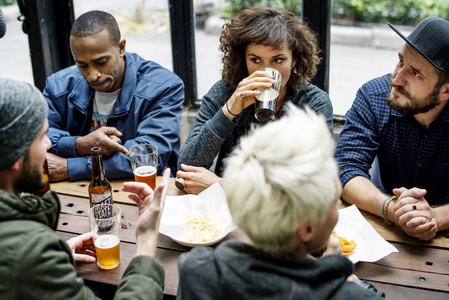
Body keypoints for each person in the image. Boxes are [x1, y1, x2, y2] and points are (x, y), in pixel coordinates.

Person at [177, 105, 382, 299]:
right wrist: (337, 280)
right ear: (306, 229)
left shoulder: (196, 270)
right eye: (333, 200)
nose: (338, 204)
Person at [0, 78, 170, 299]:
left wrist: (54, 258)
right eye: (41, 137)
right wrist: (147, 237)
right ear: (15, 155)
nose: (49, 145)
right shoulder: (28, 252)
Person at [176, 7, 333, 194]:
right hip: (225, 213)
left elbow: (312, 186)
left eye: (278, 60)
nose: (266, 71)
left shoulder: (313, 103)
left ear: (294, 60)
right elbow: (187, 166)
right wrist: (228, 111)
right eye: (256, 60)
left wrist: (223, 186)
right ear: (244, 59)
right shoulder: (226, 92)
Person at [335, 17, 449, 241]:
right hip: (382, 224)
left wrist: (433, 217)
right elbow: (345, 170)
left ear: (445, 92)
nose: (397, 79)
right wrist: (393, 209)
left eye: (415, 73)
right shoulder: (373, 95)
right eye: (400, 61)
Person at [44, 10, 184, 181]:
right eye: (82, 65)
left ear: (121, 48)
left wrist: (69, 167)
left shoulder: (164, 87)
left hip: (140, 189)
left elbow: (147, 156)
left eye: (101, 62)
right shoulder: (58, 85)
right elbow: (39, 137)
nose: (93, 75)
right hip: (77, 188)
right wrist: (81, 144)